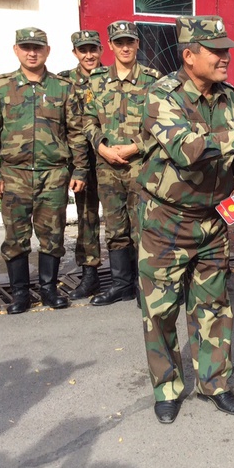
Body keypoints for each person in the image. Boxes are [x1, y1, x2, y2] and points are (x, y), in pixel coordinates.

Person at [137, 15, 234, 424]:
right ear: (189, 56)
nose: (225, 58)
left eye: (227, 51)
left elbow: (230, 155)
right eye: (216, 51)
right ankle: (167, 389)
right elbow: (186, 149)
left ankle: (215, 384)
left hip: (213, 221)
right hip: (166, 221)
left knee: (214, 306)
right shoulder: (161, 95)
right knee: (160, 311)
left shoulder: (228, 97)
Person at [0, 28, 88, 314]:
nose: (32, 53)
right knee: (15, 237)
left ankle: (49, 289)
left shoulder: (62, 88)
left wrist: (80, 170)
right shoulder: (2, 87)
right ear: (16, 50)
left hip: (52, 174)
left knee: (52, 235)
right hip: (13, 174)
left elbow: (76, 133)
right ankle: (19, 294)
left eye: (38, 48)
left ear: (47, 51)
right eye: (26, 47)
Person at [84, 21, 162, 306]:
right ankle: (121, 285)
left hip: (140, 165)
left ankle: (144, 286)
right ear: (110, 46)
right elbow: (88, 120)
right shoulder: (97, 80)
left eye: (130, 42)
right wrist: (101, 147)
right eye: (119, 43)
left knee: (143, 227)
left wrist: (134, 147)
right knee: (115, 228)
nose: (125, 47)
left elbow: (161, 123)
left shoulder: (153, 80)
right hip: (108, 168)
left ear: (137, 44)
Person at [59, 30, 103, 300]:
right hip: (81, 162)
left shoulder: (110, 78)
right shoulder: (63, 82)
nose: (89, 55)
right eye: (83, 50)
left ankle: (129, 274)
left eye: (93, 49)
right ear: (75, 52)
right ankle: (89, 274)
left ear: (101, 50)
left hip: (111, 160)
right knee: (87, 218)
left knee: (125, 220)